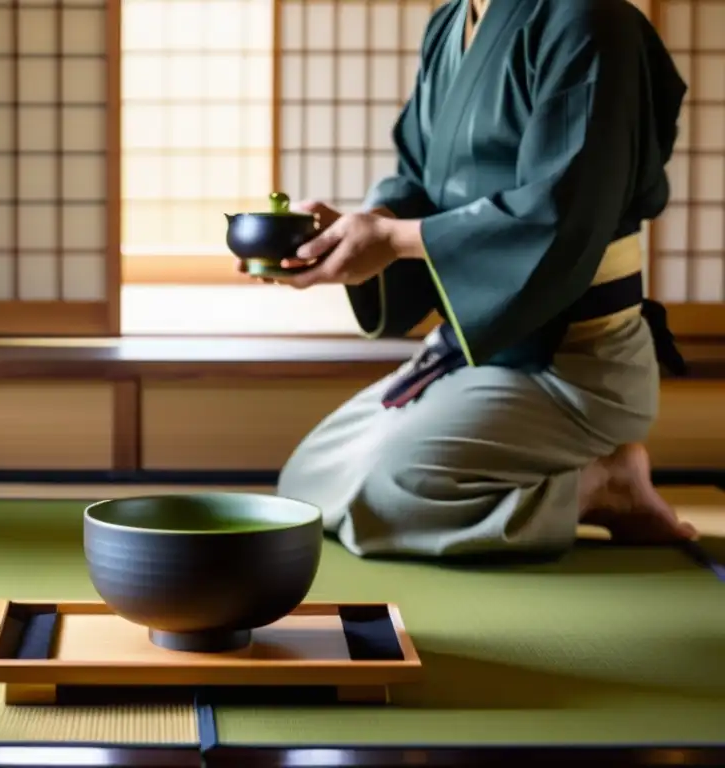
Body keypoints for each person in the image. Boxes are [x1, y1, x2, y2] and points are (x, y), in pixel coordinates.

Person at [244, 0, 700, 558]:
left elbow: (563, 211)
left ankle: (604, 485)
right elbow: (417, 177)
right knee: (308, 483)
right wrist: (367, 229)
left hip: (575, 360)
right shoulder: (451, 23)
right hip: (474, 344)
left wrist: (396, 242)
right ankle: (592, 477)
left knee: (388, 495)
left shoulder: (588, 21)